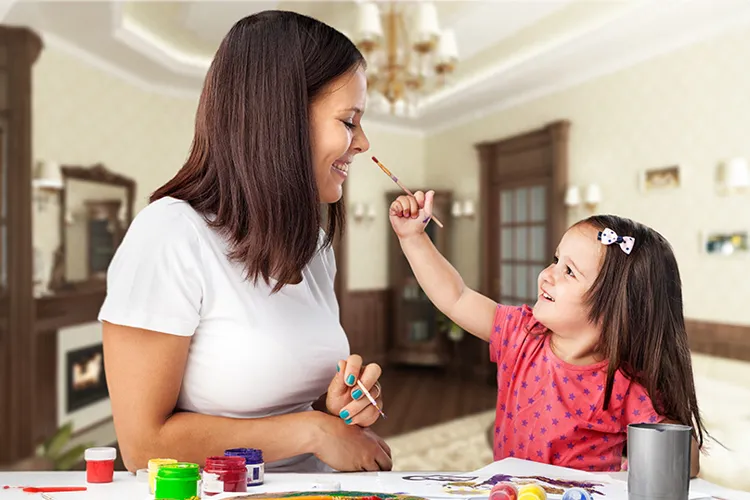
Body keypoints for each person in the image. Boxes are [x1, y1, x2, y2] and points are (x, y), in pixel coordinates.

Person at [99, 10, 392, 474]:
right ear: (282, 119)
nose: (362, 143)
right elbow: (143, 445)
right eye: (350, 121)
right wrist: (313, 431)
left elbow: (288, 398)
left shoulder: (313, 247)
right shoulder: (170, 235)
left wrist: (336, 406)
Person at [388, 191, 706, 475]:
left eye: (569, 271)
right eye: (555, 260)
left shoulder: (624, 383)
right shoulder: (521, 333)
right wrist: (413, 238)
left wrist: (676, 443)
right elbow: (456, 297)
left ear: (619, 306)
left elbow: (685, 464)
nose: (547, 275)